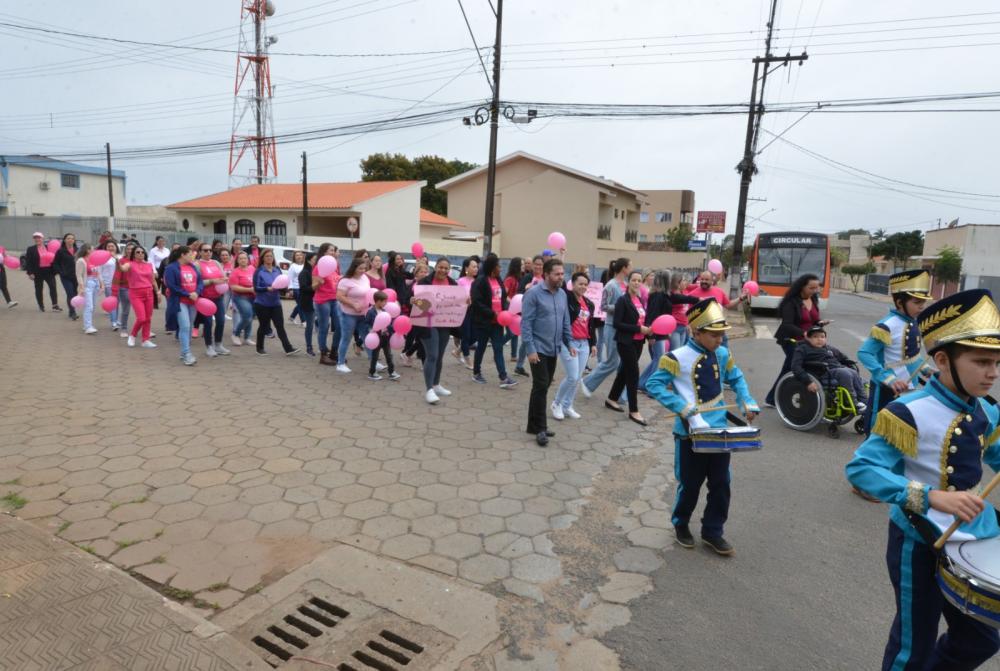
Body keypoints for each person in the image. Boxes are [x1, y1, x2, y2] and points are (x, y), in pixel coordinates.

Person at [845, 288, 1000, 670]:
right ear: (944, 360)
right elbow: (861, 470)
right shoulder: (909, 410)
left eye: (997, 362)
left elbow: (995, 455)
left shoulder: (988, 411)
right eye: (981, 362)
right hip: (918, 541)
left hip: (970, 541)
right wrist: (931, 497)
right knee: (912, 644)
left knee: (979, 638)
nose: (993, 373)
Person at [646, 298, 759, 556]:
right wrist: (683, 408)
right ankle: (681, 523)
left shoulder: (722, 353)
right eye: (714, 335)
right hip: (689, 433)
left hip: (719, 432)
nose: (720, 340)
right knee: (690, 484)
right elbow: (654, 385)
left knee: (721, 483)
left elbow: (736, 377)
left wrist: (747, 402)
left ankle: (713, 531)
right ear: (695, 332)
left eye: (721, 335)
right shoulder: (675, 357)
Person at [857, 269, 933, 437]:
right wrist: (888, 379)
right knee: (879, 431)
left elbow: (909, 356)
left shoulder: (913, 322)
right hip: (887, 389)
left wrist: (926, 369)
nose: (922, 306)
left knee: (903, 430)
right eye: (917, 302)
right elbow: (864, 353)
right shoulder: (887, 325)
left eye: (923, 302)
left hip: (909, 385)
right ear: (900, 302)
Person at [520, 258, 574, 447]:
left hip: (554, 348)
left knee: (543, 385)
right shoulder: (533, 294)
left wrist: (569, 342)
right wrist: (530, 349)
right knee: (541, 385)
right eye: (557, 274)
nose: (561, 277)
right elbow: (526, 324)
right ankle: (541, 428)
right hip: (538, 348)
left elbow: (565, 321)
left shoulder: (562, 295)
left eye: (562, 273)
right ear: (547, 274)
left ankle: (533, 425)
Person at [763, 273, 828, 407]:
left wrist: (820, 323)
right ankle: (773, 398)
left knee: (792, 367)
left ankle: (777, 397)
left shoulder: (814, 299)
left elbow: (813, 319)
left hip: (807, 340)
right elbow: (787, 324)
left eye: (817, 288)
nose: (815, 291)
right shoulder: (791, 302)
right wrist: (803, 333)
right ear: (802, 287)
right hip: (791, 339)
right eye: (811, 288)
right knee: (792, 367)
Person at [638, 271, 699, 394]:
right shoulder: (657, 295)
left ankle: (642, 383)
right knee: (659, 359)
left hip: (661, 332)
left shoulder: (665, 294)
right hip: (655, 332)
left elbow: (681, 298)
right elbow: (652, 315)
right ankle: (650, 386)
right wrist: (651, 335)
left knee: (658, 358)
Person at [606, 271, 653, 425]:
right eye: (634, 280)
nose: (637, 283)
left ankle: (612, 398)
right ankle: (634, 411)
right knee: (633, 374)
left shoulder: (639, 300)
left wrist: (647, 331)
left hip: (638, 342)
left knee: (625, 371)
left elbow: (641, 319)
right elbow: (617, 324)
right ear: (628, 282)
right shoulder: (622, 300)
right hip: (625, 342)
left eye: (639, 280)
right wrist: (639, 329)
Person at [581, 258, 631, 402]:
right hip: (611, 326)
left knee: (623, 362)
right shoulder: (611, 285)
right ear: (624, 268)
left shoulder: (626, 285)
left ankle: (621, 395)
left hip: (624, 328)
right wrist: (621, 308)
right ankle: (588, 383)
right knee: (612, 362)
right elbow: (603, 306)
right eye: (630, 266)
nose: (631, 269)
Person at [412, 258, 460, 404]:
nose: (443, 270)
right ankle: (429, 390)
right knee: (432, 355)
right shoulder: (425, 282)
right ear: (436, 267)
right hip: (427, 323)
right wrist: (414, 301)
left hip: (444, 323)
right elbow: (418, 302)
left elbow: (457, 302)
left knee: (439, 356)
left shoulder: (452, 283)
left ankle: (436, 384)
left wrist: (466, 302)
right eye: (441, 267)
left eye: (446, 268)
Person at [551, 271, 597, 420]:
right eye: (580, 283)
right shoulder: (567, 297)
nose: (583, 286)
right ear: (573, 284)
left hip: (584, 343)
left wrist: (594, 344)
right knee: (572, 376)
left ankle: (567, 405)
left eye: (585, 284)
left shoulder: (589, 303)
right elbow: (561, 282)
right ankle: (556, 403)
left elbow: (591, 325)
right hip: (568, 342)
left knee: (577, 378)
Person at [791, 326, 868, 412]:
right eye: (815, 337)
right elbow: (796, 367)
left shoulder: (829, 348)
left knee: (853, 372)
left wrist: (848, 362)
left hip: (837, 370)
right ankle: (852, 402)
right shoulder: (803, 349)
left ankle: (864, 400)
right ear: (808, 338)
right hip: (822, 373)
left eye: (822, 337)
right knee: (845, 373)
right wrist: (808, 382)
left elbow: (843, 358)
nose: (819, 339)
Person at [470, 253, 518, 389]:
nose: (500, 268)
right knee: (481, 347)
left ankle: (503, 377)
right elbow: (477, 302)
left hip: (498, 323)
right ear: (492, 266)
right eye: (498, 266)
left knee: (498, 348)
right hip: (484, 322)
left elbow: (502, 299)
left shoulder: (499, 280)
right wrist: (492, 314)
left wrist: (504, 312)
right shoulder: (480, 281)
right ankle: (476, 372)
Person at [252, 249, 300, 356]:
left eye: (271, 256)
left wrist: (287, 291)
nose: (269, 258)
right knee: (263, 326)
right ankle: (259, 348)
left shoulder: (277, 270)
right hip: (262, 304)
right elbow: (256, 288)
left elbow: (282, 283)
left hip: (276, 303)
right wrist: (266, 289)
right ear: (263, 258)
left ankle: (288, 348)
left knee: (280, 326)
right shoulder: (259, 271)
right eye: (267, 256)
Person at [164, 245, 202, 365]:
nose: (193, 256)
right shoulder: (171, 268)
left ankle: (183, 352)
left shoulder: (193, 266)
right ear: (183, 255)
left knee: (189, 326)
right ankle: (186, 354)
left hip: (193, 301)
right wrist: (187, 294)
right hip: (179, 301)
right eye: (191, 254)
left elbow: (200, 281)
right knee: (185, 326)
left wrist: (196, 292)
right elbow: (171, 286)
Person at [335, 257, 371, 373]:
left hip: (363, 313)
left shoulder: (365, 277)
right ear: (354, 268)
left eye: (364, 268)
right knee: (346, 337)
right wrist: (353, 305)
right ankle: (340, 363)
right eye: (360, 268)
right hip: (349, 314)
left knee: (367, 337)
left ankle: (373, 361)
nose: (363, 271)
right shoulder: (345, 281)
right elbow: (339, 296)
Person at [195, 244, 230, 357]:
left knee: (221, 321)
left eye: (210, 250)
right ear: (200, 252)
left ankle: (218, 344)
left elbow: (222, 276)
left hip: (218, 297)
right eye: (205, 250)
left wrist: (224, 280)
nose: (208, 252)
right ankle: (209, 346)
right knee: (208, 323)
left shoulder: (216, 263)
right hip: (205, 298)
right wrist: (211, 281)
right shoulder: (197, 264)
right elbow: (197, 283)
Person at [513, 255, 545, 376]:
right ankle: (523, 366)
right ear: (532, 265)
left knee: (529, 341)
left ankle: (520, 366)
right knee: (528, 340)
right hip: (529, 313)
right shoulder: (527, 277)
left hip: (542, 314)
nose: (538, 266)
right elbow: (519, 293)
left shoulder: (545, 278)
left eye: (540, 264)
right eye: (536, 264)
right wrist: (527, 289)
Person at [119, 246, 157, 348]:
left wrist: (157, 292)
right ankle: (132, 335)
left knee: (148, 318)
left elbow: (153, 280)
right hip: (136, 294)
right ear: (133, 254)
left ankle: (145, 340)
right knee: (141, 318)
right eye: (137, 252)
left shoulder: (149, 265)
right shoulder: (130, 264)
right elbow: (122, 268)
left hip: (149, 293)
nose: (140, 253)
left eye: (142, 252)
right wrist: (117, 262)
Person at [312, 243, 341, 366]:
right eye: (330, 250)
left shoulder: (335, 265)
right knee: (324, 327)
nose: (333, 252)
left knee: (340, 326)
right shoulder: (318, 267)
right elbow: (313, 287)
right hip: (322, 300)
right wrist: (319, 282)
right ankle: (323, 355)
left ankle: (334, 352)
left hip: (335, 299)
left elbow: (337, 280)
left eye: (334, 250)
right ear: (324, 252)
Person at [364, 291, 400, 381]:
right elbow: (367, 324)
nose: (386, 303)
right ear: (378, 301)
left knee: (389, 355)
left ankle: (391, 372)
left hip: (385, 337)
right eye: (384, 301)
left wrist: (393, 329)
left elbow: (388, 323)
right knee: (375, 356)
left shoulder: (384, 311)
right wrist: (370, 330)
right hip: (376, 338)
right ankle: (372, 373)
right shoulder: (370, 312)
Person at [24, 232, 61, 312]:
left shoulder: (49, 247)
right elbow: (28, 262)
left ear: (42, 239)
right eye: (35, 238)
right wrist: (30, 273)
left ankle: (55, 305)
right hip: (37, 272)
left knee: (53, 287)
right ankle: (41, 305)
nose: (37, 239)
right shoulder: (31, 249)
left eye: (39, 237)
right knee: (39, 289)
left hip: (49, 271)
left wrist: (57, 270)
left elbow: (55, 258)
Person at [401, 262, 428, 367]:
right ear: (416, 274)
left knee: (421, 338)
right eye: (422, 271)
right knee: (421, 338)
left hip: (426, 315)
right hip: (415, 315)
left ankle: (408, 353)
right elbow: (407, 300)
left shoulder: (428, 285)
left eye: (426, 272)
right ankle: (422, 361)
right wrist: (411, 302)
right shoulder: (414, 285)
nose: (424, 273)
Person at [454, 256, 479, 369]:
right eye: (473, 266)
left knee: (474, 336)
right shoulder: (460, 281)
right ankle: (468, 360)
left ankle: (458, 351)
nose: (476, 269)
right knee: (466, 335)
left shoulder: (477, 281)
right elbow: (455, 297)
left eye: (477, 267)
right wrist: (465, 300)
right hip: (463, 311)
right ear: (466, 268)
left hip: (474, 311)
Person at [229, 251, 256, 347]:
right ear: (237, 260)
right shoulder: (235, 272)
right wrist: (249, 289)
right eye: (240, 258)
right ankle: (236, 334)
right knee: (247, 316)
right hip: (240, 297)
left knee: (250, 317)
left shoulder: (252, 268)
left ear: (248, 260)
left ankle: (247, 338)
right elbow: (233, 287)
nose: (243, 260)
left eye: (245, 258)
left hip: (253, 297)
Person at [74, 244, 102, 334]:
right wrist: (82, 287)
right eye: (92, 249)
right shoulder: (81, 261)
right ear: (87, 250)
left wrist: (102, 284)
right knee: (88, 306)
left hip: (95, 283)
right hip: (88, 284)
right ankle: (88, 327)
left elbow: (98, 273)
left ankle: (87, 324)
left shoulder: (95, 260)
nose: (94, 251)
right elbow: (79, 275)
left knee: (92, 306)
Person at [54, 234, 79, 321]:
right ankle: (73, 312)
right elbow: (55, 263)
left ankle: (71, 310)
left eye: (72, 238)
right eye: (68, 238)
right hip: (66, 277)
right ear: (64, 240)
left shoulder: (77, 250)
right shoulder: (60, 251)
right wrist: (61, 272)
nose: (70, 240)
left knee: (75, 293)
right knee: (70, 293)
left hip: (76, 276)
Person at [503, 257, 523, 362]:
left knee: (515, 331)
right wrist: (512, 301)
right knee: (510, 333)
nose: (523, 266)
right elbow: (504, 294)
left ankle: (513, 355)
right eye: (522, 264)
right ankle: (497, 345)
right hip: (508, 309)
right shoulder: (509, 279)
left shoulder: (519, 278)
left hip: (516, 309)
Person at [298, 253, 317, 356]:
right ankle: (309, 347)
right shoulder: (304, 273)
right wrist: (315, 286)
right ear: (309, 260)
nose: (317, 261)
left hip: (319, 301)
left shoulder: (315, 271)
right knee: (310, 326)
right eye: (315, 259)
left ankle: (322, 346)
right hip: (308, 302)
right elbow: (304, 288)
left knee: (322, 325)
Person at [669, 272, 693, 351]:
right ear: (677, 283)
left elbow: (686, 311)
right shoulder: (673, 295)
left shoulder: (684, 293)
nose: (685, 282)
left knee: (680, 352)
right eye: (683, 280)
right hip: (675, 327)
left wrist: (688, 324)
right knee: (675, 352)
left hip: (683, 326)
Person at [287, 250, 305, 325]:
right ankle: (303, 321)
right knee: (301, 304)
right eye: (297, 255)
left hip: (304, 287)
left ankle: (292, 317)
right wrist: (290, 289)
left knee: (301, 304)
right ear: (294, 257)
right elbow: (289, 278)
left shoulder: (305, 265)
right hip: (295, 288)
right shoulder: (292, 266)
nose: (299, 256)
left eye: (300, 255)